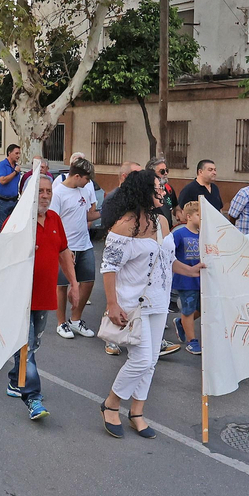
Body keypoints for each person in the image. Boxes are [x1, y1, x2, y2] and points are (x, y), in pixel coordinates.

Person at [98, 170, 172, 439]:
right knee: (140, 361)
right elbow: (109, 267)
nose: (162, 191)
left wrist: (196, 269)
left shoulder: (162, 221)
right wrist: (112, 303)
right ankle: (111, 404)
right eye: (156, 188)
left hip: (159, 300)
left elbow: (167, 260)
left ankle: (137, 412)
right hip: (132, 303)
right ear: (142, 192)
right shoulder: (125, 225)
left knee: (151, 361)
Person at [8, 176, 75, 421]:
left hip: (45, 296)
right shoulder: (18, 220)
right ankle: (33, 398)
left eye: (48, 191)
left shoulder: (55, 219)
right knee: (27, 350)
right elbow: (2, 254)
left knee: (33, 345)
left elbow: (64, 252)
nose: (46, 195)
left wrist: (74, 285)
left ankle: (15, 380)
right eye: (41, 191)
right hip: (21, 298)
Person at [50, 158, 101, 342]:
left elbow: (86, 214)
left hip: (85, 244)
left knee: (88, 282)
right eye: (87, 179)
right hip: (66, 247)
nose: (89, 183)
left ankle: (75, 319)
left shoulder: (84, 190)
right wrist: (61, 248)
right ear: (77, 176)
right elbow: (53, 222)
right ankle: (61, 322)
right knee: (62, 286)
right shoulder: (58, 194)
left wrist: (106, 212)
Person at [165, 201, 206, 355]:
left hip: (201, 279)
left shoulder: (204, 235)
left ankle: (181, 323)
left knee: (202, 309)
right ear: (188, 217)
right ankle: (192, 341)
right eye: (198, 215)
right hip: (185, 279)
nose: (201, 218)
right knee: (188, 309)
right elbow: (169, 254)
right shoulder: (179, 234)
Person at [0, 144, 24, 225]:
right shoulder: (2, 165)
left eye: (19, 153)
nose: (18, 156)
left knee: (13, 226)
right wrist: (15, 172)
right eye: (16, 153)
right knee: (2, 227)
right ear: (9, 153)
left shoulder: (16, 167)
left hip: (14, 201)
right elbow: (2, 180)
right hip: (3, 202)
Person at [149, 157, 177, 226]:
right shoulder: (147, 192)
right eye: (162, 171)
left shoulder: (168, 188)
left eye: (166, 170)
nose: (166, 173)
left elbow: (175, 206)